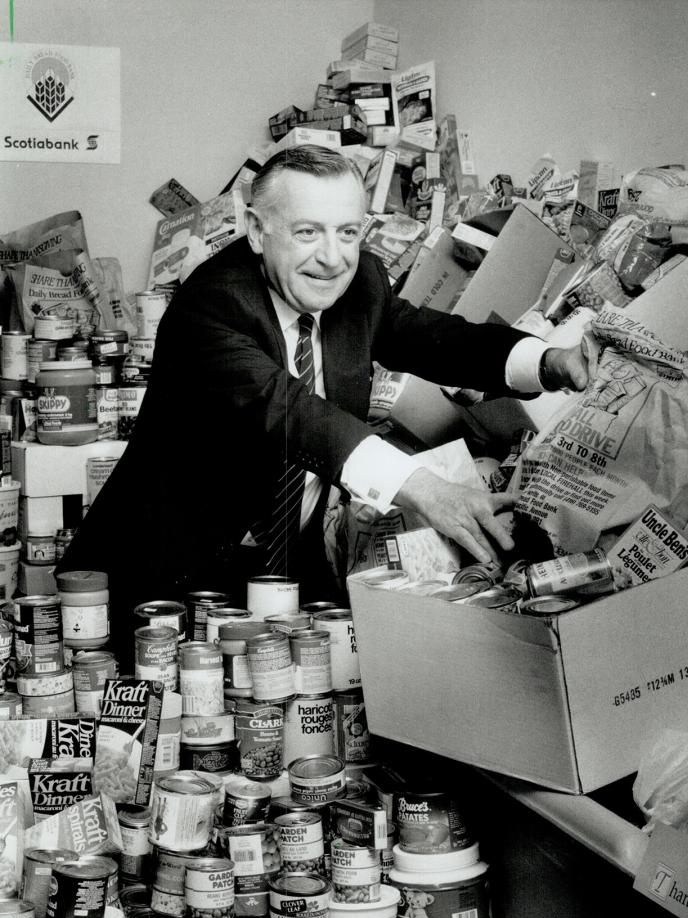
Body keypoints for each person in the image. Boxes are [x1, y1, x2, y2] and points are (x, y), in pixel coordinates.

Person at [57, 145, 588, 663]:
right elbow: (292, 414)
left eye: (348, 232)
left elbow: (431, 337)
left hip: (287, 571)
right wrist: (423, 490)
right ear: (257, 230)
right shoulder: (212, 305)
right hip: (163, 580)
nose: (333, 258)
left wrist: (546, 361)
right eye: (307, 232)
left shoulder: (360, 285)